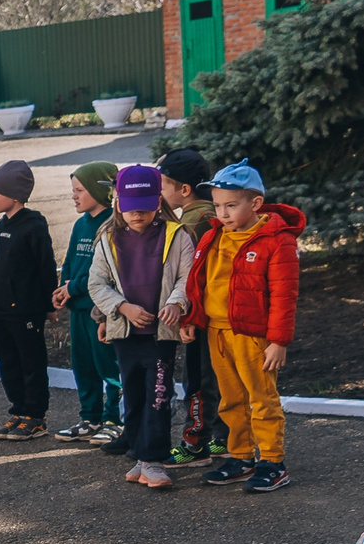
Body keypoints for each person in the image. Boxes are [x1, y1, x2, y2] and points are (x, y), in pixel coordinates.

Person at [192, 162, 303, 493]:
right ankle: (240, 457)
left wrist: (278, 341)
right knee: (230, 398)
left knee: (262, 398)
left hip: (253, 335)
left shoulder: (277, 241)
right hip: (217, 332)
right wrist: (191, 319)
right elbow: (198, 282)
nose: (222, 213)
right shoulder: (214, 236)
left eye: (231, 205)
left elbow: (285, 294)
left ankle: (273, 462)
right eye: (217, 206)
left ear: (255, 204)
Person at [87, 164, 195, 491]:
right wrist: (120, 309)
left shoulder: (177, 235)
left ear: (157, 202)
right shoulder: (107, 238)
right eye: (131, 207)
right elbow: (97, 283)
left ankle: (153, 460)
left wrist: (176, 304)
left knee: (158, 395)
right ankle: (139, 454)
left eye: (146, 207)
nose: (138, 214)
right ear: (118, 202)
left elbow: (187, 278)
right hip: (126, 333)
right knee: (132, 394)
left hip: (160, 335)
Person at [156, 148, 224, 462]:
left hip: (200, 316)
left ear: (184, 189)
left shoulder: (195, 222)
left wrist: (188, 317)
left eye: (162, 185)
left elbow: (191, 277)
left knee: (197, 380)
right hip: (213, 314)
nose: (158, 192)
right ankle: (222, 438)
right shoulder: (206, 214)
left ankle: (195, 443)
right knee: (216, 378)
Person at [0, 158, 57, 440]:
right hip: (1, 311)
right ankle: (19, 411)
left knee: (31, 363)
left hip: (26, 310)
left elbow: (46, 266)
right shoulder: (1, 225)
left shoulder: (33, 226)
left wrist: (49, 303)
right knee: (8, 364)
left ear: (14, 195)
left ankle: (36, 416)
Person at [53, 164, 122, 443]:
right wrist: (62, 288)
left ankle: (114, 419)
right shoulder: (81, 224)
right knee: (83, 365)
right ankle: (90, 417)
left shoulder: (112, 224)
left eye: (80, 190)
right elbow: (70, 261)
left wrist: (73, 287)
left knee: (109, 366)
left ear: (98, 190)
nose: (74, 195)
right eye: (73, 190)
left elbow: (101, 270)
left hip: (100, 311)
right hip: (78, 310)